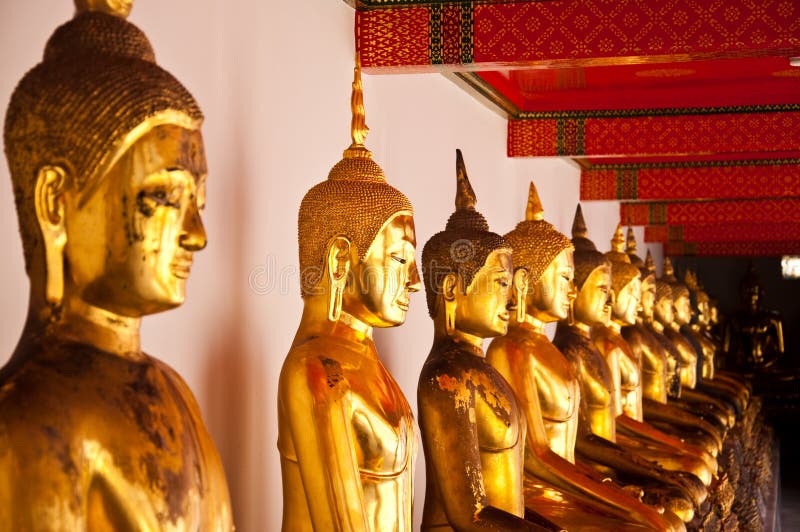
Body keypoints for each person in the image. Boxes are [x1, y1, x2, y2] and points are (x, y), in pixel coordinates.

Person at [0, 2, 232, 529]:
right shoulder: (28, 418)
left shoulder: (176, 396)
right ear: (55, 203)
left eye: (199, 199)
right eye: (166, 197)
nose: (198, 235)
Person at [277, 59, 420, 531]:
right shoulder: (315, 371)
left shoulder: (367, 363)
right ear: (341, 261)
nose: (416, 280)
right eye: (400, 259)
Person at [418, 151, 554, 531]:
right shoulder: (447, 379)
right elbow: (470, 515)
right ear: (451, 288)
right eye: (499, 284)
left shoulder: (478, 369)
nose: (511, 299)